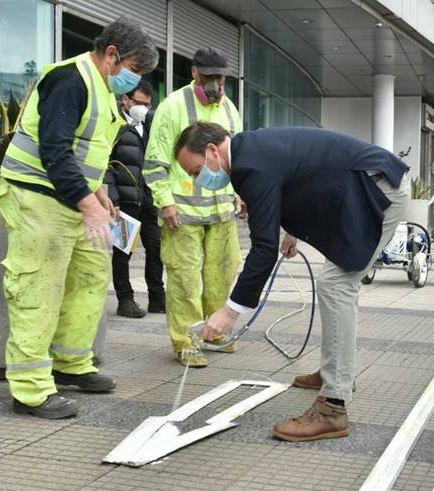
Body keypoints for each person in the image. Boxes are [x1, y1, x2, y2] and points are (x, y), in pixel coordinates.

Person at [174, 122, 410, 441]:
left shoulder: (250, 165)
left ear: (214, 150)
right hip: (362, 185)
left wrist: (229, 313)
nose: (197, 178)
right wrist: (294, 230)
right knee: (337, 283)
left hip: (378, 191)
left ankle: (333, 406)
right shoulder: (250, 150)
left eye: (197, 169)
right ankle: (334, 374)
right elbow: (306, 172)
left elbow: (263, 249)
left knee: (337, 284)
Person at [0, 18, 158, 419]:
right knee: (38, 289)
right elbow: (55, 150)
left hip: (75, 201)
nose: (134, 81)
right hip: (38, 198)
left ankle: (71, 364)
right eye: (134, 70)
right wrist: (89, 204)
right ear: (111, 54)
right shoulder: (70, 80)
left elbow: (91, 154)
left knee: (90, 277)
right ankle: (30, 390)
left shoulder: (104, 89)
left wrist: (101, 197)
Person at [142, 48, 243, 367]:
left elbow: (238, 155)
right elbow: (155, 161)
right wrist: (165, 201)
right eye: (210, 77)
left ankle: (214, 333)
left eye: (221, 77)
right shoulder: (173, 106)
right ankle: (186, 340)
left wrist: (243, 193)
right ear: (195, 74)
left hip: (222, 212)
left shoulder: (229, 109)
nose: (216, 84)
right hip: (181, 214)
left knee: (221, 275)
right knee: (185, 279)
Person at [105, 80, 165, 318]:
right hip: (124, 201)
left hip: (150, 201)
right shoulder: (115, 126)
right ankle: (125, 300)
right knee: (123, 252)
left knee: (157, 248)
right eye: (139, 103)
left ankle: (157, 299)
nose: (143, 108)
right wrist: (113, 197)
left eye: (147, 104)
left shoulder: (150, 125)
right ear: (125, 100)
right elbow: (106, 164)